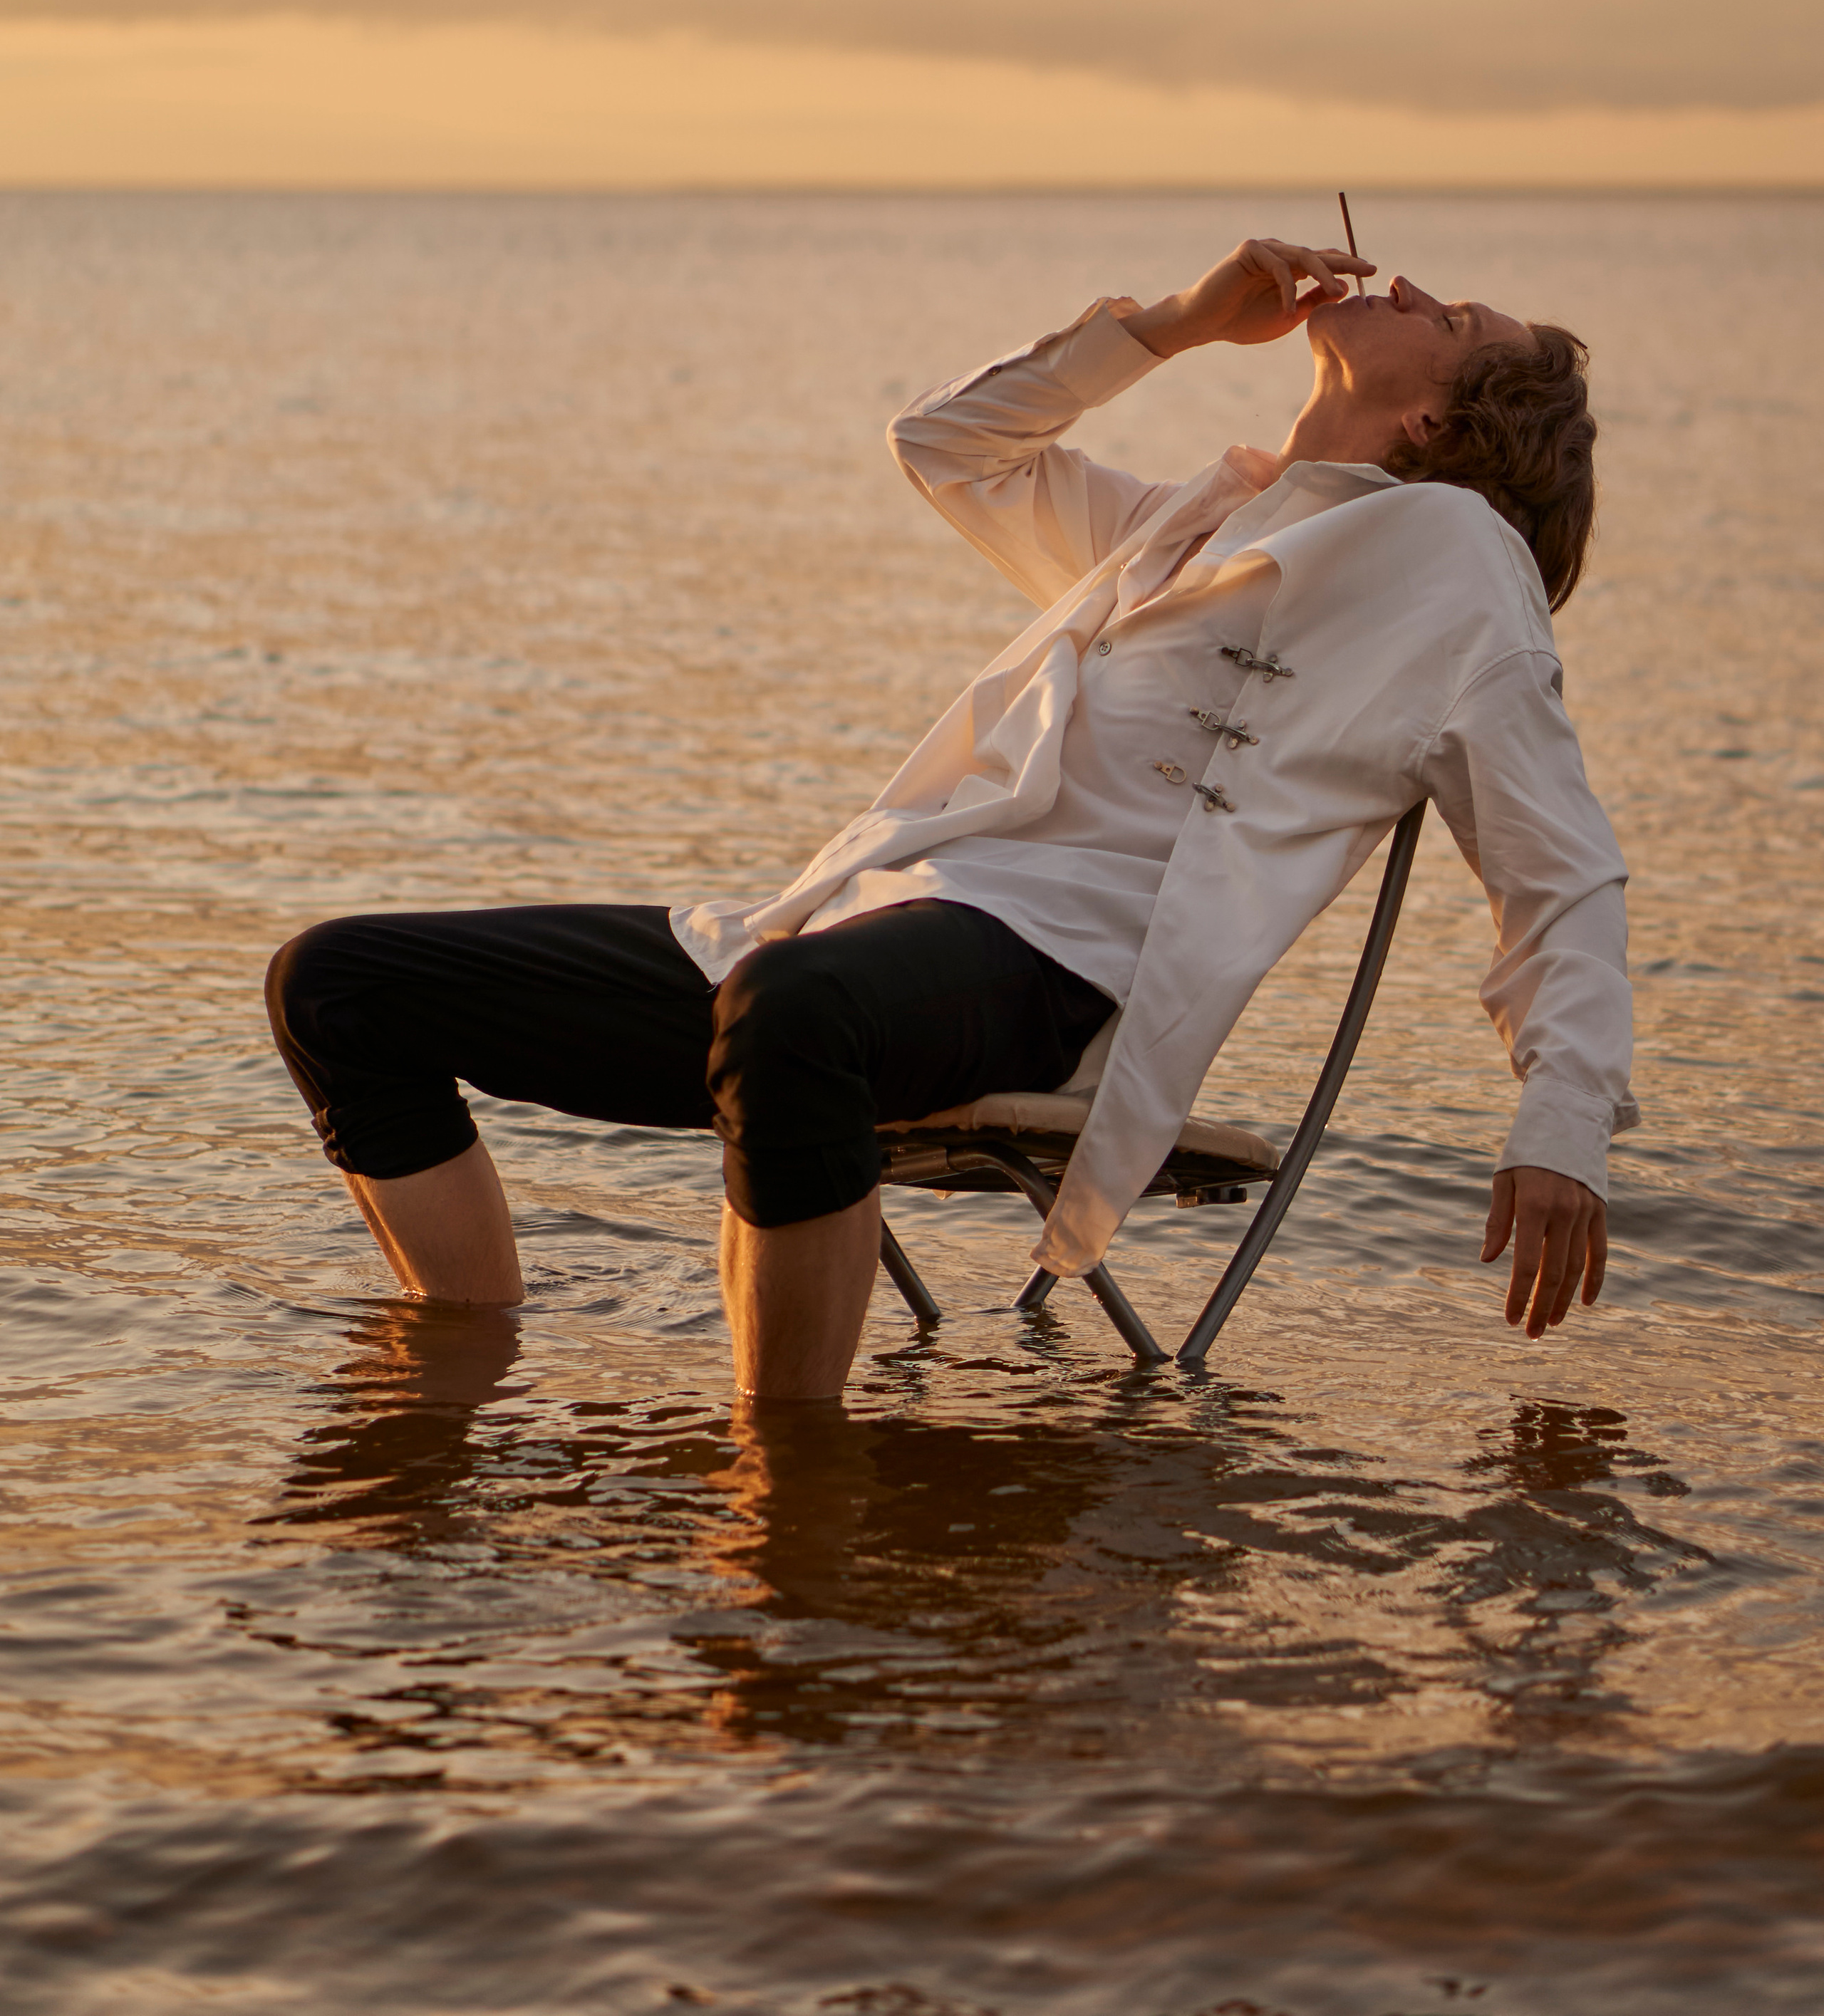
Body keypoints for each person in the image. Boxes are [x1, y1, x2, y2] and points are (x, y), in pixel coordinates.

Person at [266, 237, 1636, 1398]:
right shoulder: (1180, 526)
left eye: (1447, 321)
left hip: (1059, 974)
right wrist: (1173, 327)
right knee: (339, 985)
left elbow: (1558, 872)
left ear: (1437, 426)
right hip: (859, 924)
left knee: (798, 1012)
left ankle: (787, 1499)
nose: (1409, 289)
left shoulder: (1456, 562)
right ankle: (459, 1378)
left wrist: (1561, 1123)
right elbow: (947, 445)